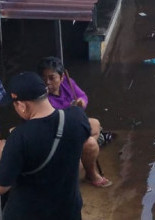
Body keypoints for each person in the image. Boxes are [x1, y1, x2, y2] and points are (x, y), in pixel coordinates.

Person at [0, 72, 90, 219]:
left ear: (21, 105)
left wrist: (4, 154)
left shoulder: (19, 138)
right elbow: (78, 149)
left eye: (14, 105)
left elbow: (2, 186)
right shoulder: (77, 117)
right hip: (68, 211)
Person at [37, 57, 112, 188]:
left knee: (95, 124)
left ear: (61, 78)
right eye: (43, 78)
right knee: (90, 144)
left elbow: (82, 96)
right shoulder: (40, 94)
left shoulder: (68, 83)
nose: (47, 82)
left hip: (73, 125)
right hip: (56, 133)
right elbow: (51, 119)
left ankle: (79, 155)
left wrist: (81, 103)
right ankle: (91, 173)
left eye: (52, 78)